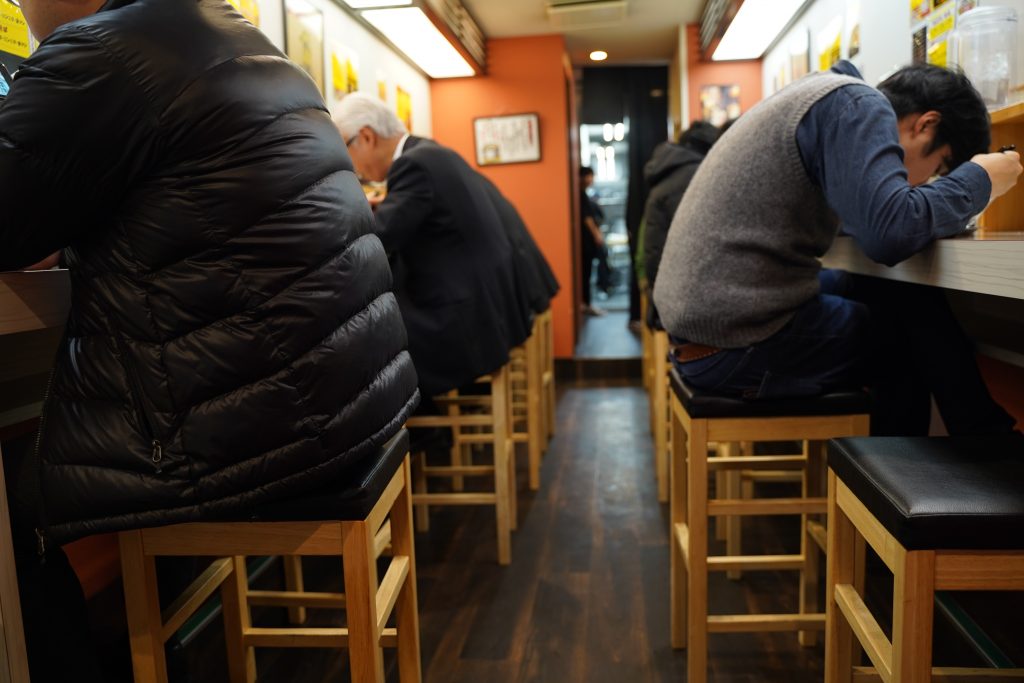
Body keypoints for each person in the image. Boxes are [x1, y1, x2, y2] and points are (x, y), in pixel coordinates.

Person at [0, 0, 418, 679]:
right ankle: (172, 646)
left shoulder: (97, 52)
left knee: (17, 504)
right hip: (349, 402)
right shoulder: (239, 36)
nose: (19, 4)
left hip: (268, 422)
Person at [653, 61, 1022, 436]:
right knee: (904, 338)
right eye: (938, 168)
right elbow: (889, 233)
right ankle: (931, 465)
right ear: (926, 124)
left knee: (901, 294)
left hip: (708, 325)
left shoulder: (826, 96)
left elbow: (867, 221)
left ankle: (980, 434)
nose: (927, 180)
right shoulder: (858, 104)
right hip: (733, 342)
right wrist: (979, 178)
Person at [333, 93, 527, 397]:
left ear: (366, 137)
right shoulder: (431, 152)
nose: (353, 168)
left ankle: (424, 435)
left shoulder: (412, 166)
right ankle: (430, 432)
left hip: (463, 320)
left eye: (345, 148)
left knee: (365, 341)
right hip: (489, 305)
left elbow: (380, 238)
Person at [641, 121, 720, 325]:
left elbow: (654, 250)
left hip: (671, 294)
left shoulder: (668, 174)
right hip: (693, 301)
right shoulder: (697, 176)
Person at [579, 165, 612, 315]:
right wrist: (597, 235)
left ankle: (588, 301)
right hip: (585, 242)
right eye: (588, 176)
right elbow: (587, 218)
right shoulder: (580, 194)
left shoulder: (584, 194)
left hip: (587, 242)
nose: (590, 179)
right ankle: (586, 303)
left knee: (588, 271)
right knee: (585, 273)